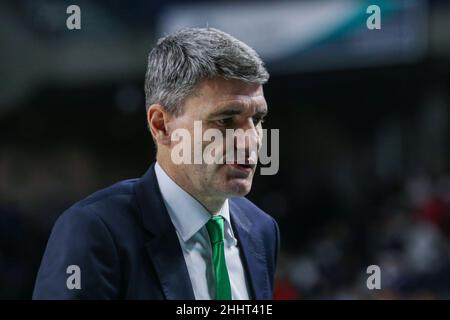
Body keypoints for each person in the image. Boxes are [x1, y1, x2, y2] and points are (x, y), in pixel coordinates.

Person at [33, 27, 279, 300]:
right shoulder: (94, 231)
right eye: (225, 120)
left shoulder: (261, 229)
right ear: (161, 125)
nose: (250, 141)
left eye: (256, 120)